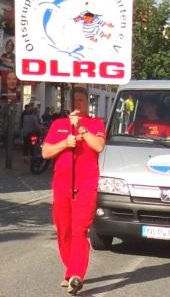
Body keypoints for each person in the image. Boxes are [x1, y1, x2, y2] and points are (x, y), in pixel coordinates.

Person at [42, 87, 105, 295]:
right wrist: (64, 143)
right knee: (64, 230)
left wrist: (82, 130)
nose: (77, 104)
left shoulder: (96, 123)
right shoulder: (59, 124)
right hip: (62, 185)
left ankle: (77, 275)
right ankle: (70, 270)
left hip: (86, 185)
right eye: (75, 100)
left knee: (80, 230)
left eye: (81, 100)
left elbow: (98, 147)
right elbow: (45, 152)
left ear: (87, 103)